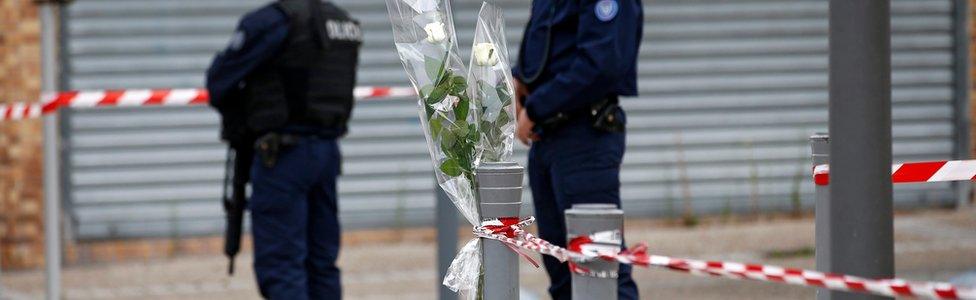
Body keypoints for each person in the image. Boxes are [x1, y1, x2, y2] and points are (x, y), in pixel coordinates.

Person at [205, 0, 362, 298]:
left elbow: (219, 81)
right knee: (322, 264)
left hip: (283, 159)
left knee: (281, 267)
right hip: (326, 154)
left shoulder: (273, 21)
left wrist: (245, 114)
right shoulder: (341, 21)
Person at [513, 0, 643, 299]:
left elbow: (602, 65)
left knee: (599, 273)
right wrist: (520, 78)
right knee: (562, 274)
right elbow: (549, 42)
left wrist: (534, 109)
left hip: (585, 137)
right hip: (548, 138)